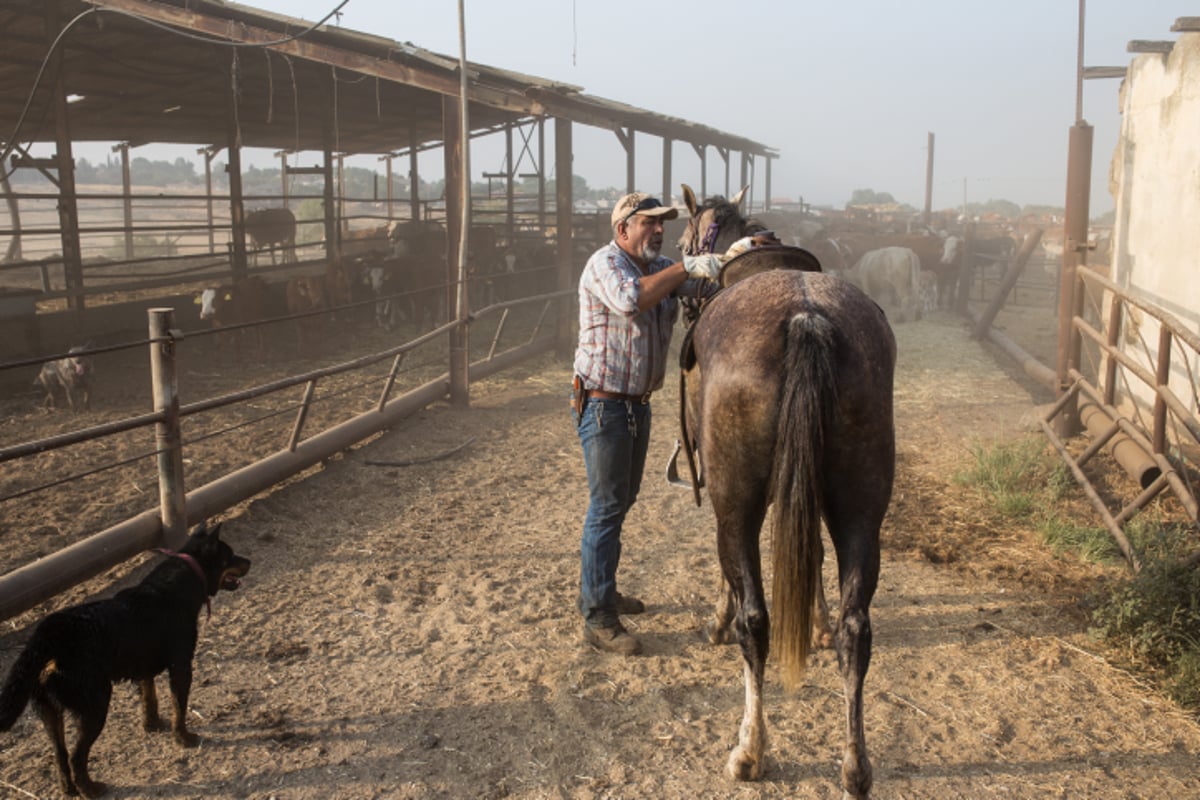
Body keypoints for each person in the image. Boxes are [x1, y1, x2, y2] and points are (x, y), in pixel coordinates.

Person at [571, 192, 723, 655]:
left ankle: (603, 589)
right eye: (649, 223)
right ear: (623, 230)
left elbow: (701, 292)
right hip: (604, 405)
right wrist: (687, 267)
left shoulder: (652, 272)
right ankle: (597, 617)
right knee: (606, 507)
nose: (659, 230)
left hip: (634, 405)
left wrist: (735, 262)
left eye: (662, 224)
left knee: (621, 501)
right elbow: (630, 301)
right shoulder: (607, 265)